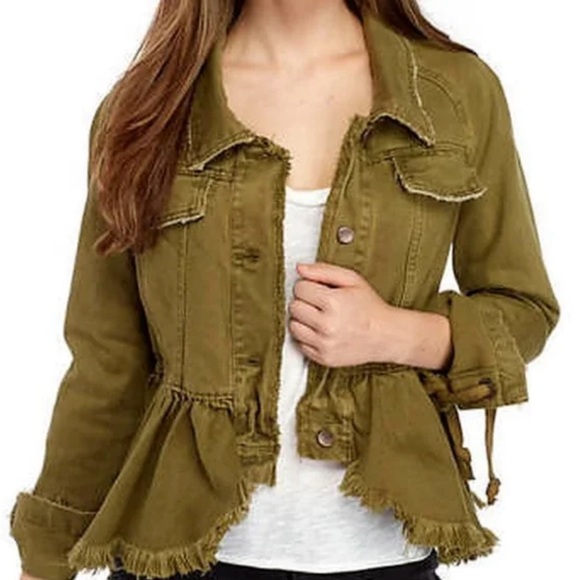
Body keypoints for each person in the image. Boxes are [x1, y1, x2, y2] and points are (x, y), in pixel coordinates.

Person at [10, 1, 560, 580]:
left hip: (382, 553)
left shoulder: (456, 94)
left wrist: (395, 334)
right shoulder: (148, 106)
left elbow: (523, 308)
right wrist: (46, 559)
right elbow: (107, 363)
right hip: (177, 552)